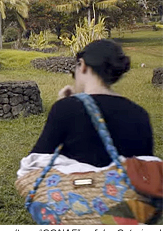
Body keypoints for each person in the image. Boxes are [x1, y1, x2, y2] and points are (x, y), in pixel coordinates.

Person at [28, 39, 154, 167]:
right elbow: (148, 168)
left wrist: (62, 106)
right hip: (124, 186)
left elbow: (35, 162)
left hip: (76, 186)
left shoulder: (66, 109)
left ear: (82, 65)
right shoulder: (140, 114)